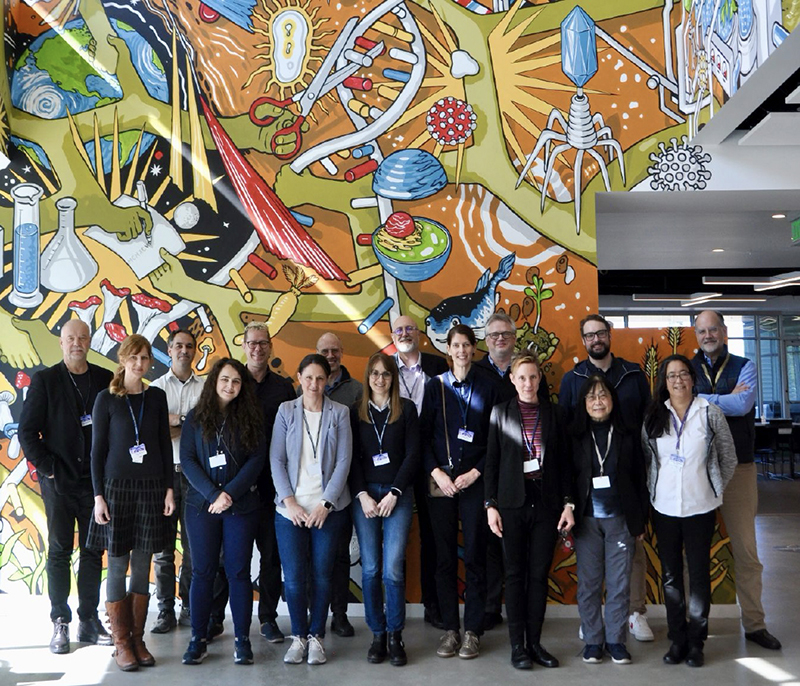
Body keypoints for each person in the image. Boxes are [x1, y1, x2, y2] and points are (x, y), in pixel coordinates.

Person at [19, 319, 113, 654]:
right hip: (58, 482)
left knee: (92, 552)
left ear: (90, 342)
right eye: (70, 338)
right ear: (61, 343)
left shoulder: (104, 379)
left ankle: (88, 620)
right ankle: (60, 620)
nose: (77, 343)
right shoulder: (45, 380)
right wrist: (48, 470)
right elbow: (27, 432)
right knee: (59, 550)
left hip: (95, 485)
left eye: (82, 337)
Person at [559, 314, 654, 642]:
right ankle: (594, 625)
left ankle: (633, 614)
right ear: (583, 340)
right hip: (587, 499)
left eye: (600, 333)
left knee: (629, 563)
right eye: (589, 335)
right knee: (590, 570)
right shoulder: (573, 378)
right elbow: (567, 432)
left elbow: (647, 422)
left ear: (608, 335)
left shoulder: (632, 374)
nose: (596, 339)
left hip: (624, 488)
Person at [691, 310, 781, 650]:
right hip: (697, 470)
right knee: (694, 552)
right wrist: (721, 401)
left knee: (746, 551)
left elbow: (743, 404)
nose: (708, 335)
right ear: (696, 334)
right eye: (702, 330)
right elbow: (683, 406)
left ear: (724, 331)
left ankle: (755, 625)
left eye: (713, 329)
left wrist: (704, 400)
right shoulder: (686, 368)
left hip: (739, 469)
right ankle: (695, 627)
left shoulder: (746, 365)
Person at [85, 334, 174, 671]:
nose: (139, 364)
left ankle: (138, 639)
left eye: (145, 358)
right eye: (133, 357)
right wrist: (98, 497)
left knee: (143, 564)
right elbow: (97, 453)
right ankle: (121, 642)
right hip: (116, 490)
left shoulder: (157, 397)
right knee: (118, 564)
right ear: (122, 360)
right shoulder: (105, 399)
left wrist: (168, 488)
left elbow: (165, 446)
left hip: (152, 489)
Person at [642, 354, 737, 668]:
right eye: (671, 376)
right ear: (664, 382)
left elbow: (728, 458)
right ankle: (677, 640)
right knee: (670, 578)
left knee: (698, 576)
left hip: (700, 507)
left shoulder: (710, 414)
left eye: (683, 374)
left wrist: (715, 488)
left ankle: (697, 643)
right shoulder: (654, 414)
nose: (678, 380)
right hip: (664, 508)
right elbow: (647, 459)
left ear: (693, 379)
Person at [484, 352, 574, 670]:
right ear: (512, 379)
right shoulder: (499, 413)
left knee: (538, 576)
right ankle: (516, 647)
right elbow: (491, 463)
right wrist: (489, 505)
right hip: (510, 504)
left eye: (533, 377)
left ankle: (534, 643)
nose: (527, 383)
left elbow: (565, 464)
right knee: (514, 574)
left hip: (547, 504)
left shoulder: (556, 414)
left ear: (540, 378)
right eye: (521, 377)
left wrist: (568, 503)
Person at [211, 322, 295, 644]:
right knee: (229, 558)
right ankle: (217, 618)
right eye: (252, 343)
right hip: (234, 486)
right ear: (243, 346)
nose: (257, 348)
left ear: (270, 346)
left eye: (263, 343)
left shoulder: (283, 388)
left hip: (273, 488)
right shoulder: (232, 383)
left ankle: (269, 619)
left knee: (272, 558)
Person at [421, 324, 500, 660]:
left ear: (473, 348)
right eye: (456, 345)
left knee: (475, 557)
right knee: (443, 558)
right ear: (448, 350)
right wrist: (438, 473)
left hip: (474, 482)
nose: (462, 351)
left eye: (468, 345)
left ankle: (472, 631)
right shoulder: (434, 387)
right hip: (442, 484)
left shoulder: (490, 386)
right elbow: (422, 438)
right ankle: (450, 630)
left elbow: (497, 438)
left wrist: (475, 472)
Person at [179, 358, 265, 666]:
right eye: (225, 379)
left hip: (241, 507)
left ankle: (242, 640)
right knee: (202, 573)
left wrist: (229, 494)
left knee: (238, 573)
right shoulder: (195, 418)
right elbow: (187, 459)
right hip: (202, 506)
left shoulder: (251, 418)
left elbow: (257, 460)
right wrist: (214, 494)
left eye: (236, 382)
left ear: (242, 387)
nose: (230, 386)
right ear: (215, 381)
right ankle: (197, 639)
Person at [271, 354, 352, 666]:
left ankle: (317, 636)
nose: (314, 384)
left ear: (327, 380)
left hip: (327, 510)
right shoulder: (285, 411)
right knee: (293, 578)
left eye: (320, 378)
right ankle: (298, 637)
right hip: (289, 511)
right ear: (299, 377)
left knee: (321, 575)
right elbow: (276, 459)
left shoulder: (340, 413)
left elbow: (344, 461)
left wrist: (325, 504)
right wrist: (289, 502)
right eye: (309, 378)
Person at [570, 374, 649, 666]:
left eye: (603, 395)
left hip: (621, 520)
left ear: (612, 400)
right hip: (586, 520)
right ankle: (593, 640)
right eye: (591, 397)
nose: (598, 402)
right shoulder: (574, 435)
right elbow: (567, 477)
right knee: (588, 585)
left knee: (619, 585)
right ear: (584, 403)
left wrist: (640, 521)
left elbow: (641, 479)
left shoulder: (628, 434)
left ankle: (616, 641)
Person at [351, 352, 419, 666]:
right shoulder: (356, 412)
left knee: (392, 567)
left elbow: (412, 455)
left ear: (394, 378)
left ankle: (395, 634)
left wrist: (395, 491)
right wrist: (362, 494)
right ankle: (377, 634)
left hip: (398, 495)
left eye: (386, 374)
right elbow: (350, 459)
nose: (380, 379)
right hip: (365, 495)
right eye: (375, 373)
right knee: (370, 568)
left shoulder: (407, 410)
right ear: (368, 377)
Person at [390, 315, 448, 630]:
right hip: (396, 464)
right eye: (398, 329)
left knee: (433, 537)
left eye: (409, 328)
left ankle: (433, 605)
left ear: (419, 335)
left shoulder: (439, 366)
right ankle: (391, 612)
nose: (404, 333)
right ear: (392, 335)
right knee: (392, 539)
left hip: (433, 464)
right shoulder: (383, 369)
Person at [150, 329, 205, 633]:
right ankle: (164, 610)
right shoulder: (155, 389)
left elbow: (205, 432)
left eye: (189, 346)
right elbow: (153, 434)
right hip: (164, 476)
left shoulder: (207, 388)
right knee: (163, 549)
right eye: (178, 346)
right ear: (169, 350)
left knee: (193, 549)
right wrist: (186, 423)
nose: (184, 350)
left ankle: (188, 605)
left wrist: (176, 421)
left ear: (194, 351)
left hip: (195, 476)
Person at [313, 332, 362, 637]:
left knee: (341, 554)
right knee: (313, 558)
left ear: (342, 353)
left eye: (335, 350)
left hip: (343, 487)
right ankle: (312, 613)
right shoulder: (302, 389)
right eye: (324, 351)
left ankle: (340, 614)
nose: (330, 355)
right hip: (309, 490)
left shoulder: (357, 391)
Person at [473, 312, 516, 631]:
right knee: (488, 541)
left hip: (520, 469)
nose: (500, 339)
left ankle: (519, 605)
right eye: (493, 335)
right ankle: (490, 606)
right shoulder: (474, 372)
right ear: (485, 340)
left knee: (517, 541)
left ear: (514, 337)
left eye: (505, 334)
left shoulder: (526, 370)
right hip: (484, 467)